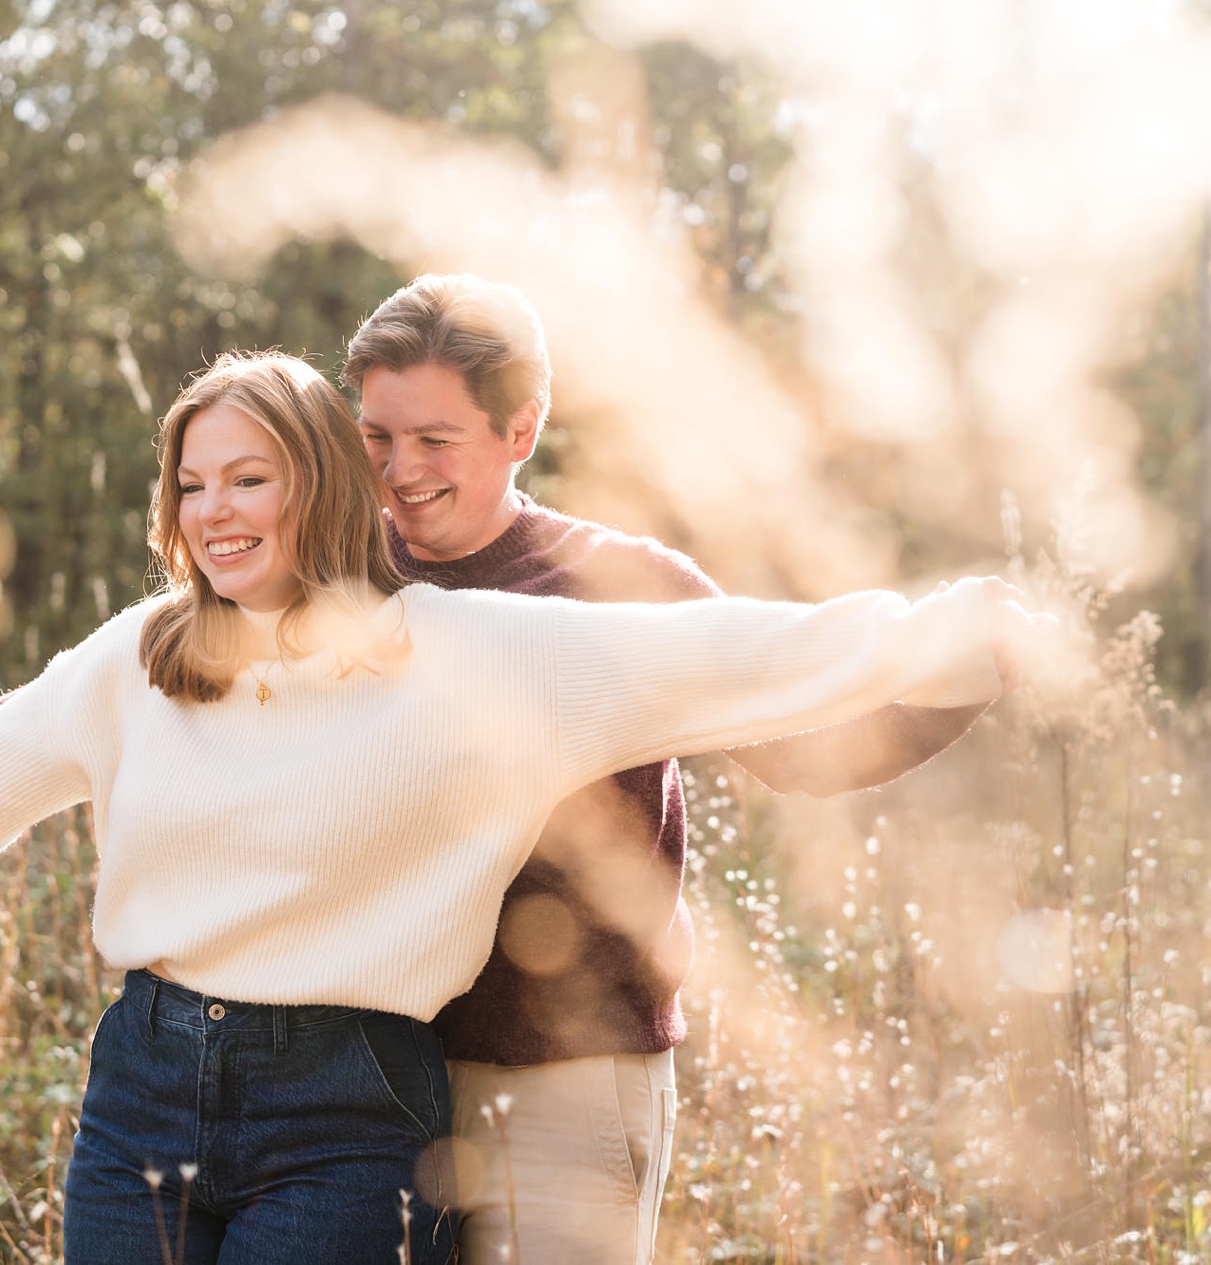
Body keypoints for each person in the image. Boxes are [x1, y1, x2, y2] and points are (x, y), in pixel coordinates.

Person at [0, 350, 1041, 1264]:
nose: (214, 512)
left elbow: (755, 655)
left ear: (321, 482)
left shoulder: (485, 652)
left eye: (248, 476)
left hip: (348, 1107)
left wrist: (952, 632)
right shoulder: (136, 655)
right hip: (142, 1082)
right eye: (191, 485)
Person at [341, 274, 996, 1264]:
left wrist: (967, 679)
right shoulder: (337, 578)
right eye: (376, 438)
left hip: (568, 1082)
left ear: (520, 431)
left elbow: (801, 748)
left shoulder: (622, 587)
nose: (399, 471)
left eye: (436, 441)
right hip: (367, 1078)